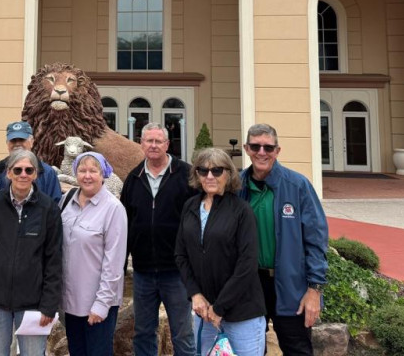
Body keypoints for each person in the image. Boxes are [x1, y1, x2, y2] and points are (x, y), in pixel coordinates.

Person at [239, 123, 329, 356]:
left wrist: (314, 290)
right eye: (256, 146)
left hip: (291, 286)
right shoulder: (236, 187)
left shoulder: (297, 185)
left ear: (277, 151)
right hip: (250, 285)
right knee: (249, 350)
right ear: (246, 148)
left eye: (268, 147)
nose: (262, 152)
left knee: (297, 349)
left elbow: (316, 240)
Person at [0, 149, 63, 356]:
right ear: (8, 173)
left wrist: (49, 305)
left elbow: (54, 260)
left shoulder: (48, 209)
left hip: (33, 304)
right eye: (18, 169)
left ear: (36, 174)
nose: (23, 174)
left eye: (29, 170)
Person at [175, 148, 266, 356]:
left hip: (242, 315)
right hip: (204, 313)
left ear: (229, 174)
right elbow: (181, 254)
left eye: (217, 171)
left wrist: (219, 308)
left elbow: (247, 264)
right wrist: (195, 294)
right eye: (203, 170)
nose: (209, 176)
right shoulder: (190, 206)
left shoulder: (242, 211)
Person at [120, 122, 196, 356]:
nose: (153, 145)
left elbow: (198, 219)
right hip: (143, 273)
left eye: (158, 141)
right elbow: (124, 226)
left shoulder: (186, 174)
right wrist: (121, 267)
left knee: (182, 334)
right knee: (143, 332)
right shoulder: (134, 178)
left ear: (167, 144)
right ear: (141, 144)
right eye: (148, 141)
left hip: (177, 272)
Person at [61, 151, 127, 356]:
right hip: (71, 301)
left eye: (93, 171)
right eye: (82, 170)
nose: (87, 175)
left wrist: (101, 304)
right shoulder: (66, 200)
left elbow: (114, 262)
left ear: (103, 174)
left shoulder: (113, 208)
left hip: (97, 303)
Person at [0, 121, 62, 201]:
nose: (17, 144)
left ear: (32, 142)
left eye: (22, 140)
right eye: (13, 140)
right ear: (7, 143)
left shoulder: (48, 173)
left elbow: (55, 205)